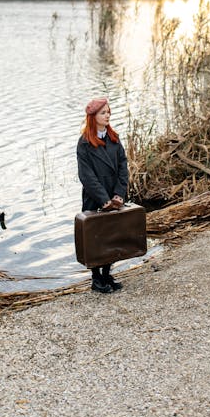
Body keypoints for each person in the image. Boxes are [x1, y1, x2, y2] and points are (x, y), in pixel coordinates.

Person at [76, 97, 128, 293]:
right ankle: (96, 279)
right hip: (95, 197)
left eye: (108, 112)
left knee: (113, 235)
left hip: (115, 195)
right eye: (103, 113)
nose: (107, 116)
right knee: (96, 236)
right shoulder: (84, 144)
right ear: (93, 117)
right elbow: (86, 176)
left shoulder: (114, 138)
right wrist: (103, 199)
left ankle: (107, 274)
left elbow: (123, 166)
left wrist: (119, 194)